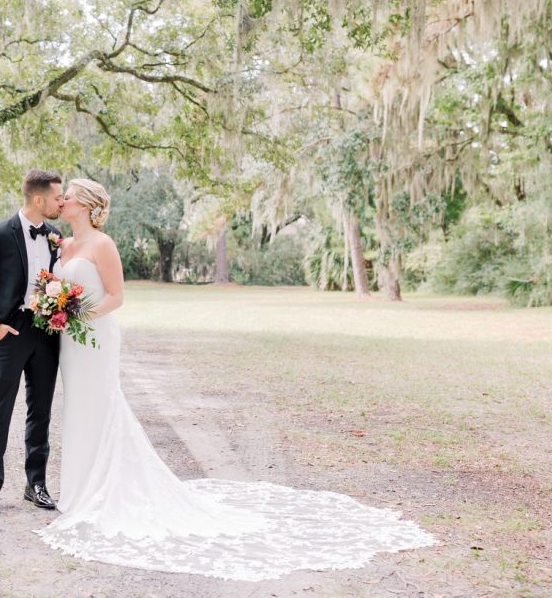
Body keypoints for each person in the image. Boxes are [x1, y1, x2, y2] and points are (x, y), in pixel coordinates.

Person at [37, 178, 437, 581]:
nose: (62, 200)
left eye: (68, 195)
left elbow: (115, 297)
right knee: (77, 408)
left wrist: (79, 315)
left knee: (101, 404)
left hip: (96, 336)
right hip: (71, 342)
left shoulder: (102, 245)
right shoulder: (66, 245)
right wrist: (55, 306)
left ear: (86, 206)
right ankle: (79, 488)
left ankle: (105, 488)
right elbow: (56, 287)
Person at [0, 170, 64, 518]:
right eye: (56, 198)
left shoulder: (54, 236)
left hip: (47, 333)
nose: (60, 203)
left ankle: (36, 484)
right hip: (10, 332)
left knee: (41, 412)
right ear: (38, 200)